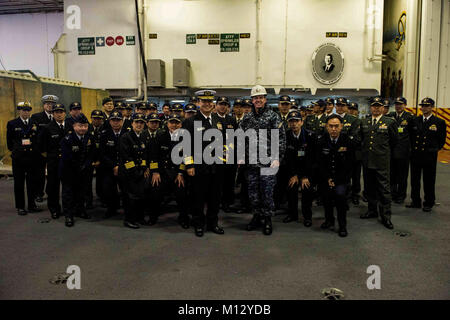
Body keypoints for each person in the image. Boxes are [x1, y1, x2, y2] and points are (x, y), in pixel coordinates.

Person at [240, 85, 286, 235]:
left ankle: (267, 219)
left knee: (267, 192)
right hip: (251, 162)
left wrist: (277, 158)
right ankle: (256, 216)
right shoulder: (246, 117)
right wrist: (240, 155)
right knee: (253, 193)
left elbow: (280, 138)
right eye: (255, 98)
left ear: (265, 99)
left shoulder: (273, 116)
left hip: (268, 162)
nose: (258, 100)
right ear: (252, 100)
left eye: (260, 97)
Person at [182, 90, 226, 237]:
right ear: (198, 103)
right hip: (199, 167)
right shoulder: (190, 121)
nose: (207, 104)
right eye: (204, 101)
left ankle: (213, 223)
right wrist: (189, 165)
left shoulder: (218, 120)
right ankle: (199, 224)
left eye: (209, 101)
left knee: (215, 197)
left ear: (212, 103)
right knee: (198, 197)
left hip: (217, 167)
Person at [359, 97, 397, 229]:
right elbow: (362, 140)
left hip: (381, 161)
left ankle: (386, 216)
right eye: (373, 106)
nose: (375, 108)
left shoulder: (390, 122)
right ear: (370, 107)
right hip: (368, 161)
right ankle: (372, 210)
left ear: (383, 108)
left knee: (384, 190)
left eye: (378, 106)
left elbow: (394, 142)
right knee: (369, 188)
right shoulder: (365, 121)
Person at [317, 114, 355, 237]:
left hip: (341, 179)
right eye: (331, 126)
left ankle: (342, 225)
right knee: (326, 199)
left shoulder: (348, 141)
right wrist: (328, 178)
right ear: (326, 127)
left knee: (340, 198)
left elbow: (350, 165)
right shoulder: (321, 141)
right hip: (325, 177)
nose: (334, 129)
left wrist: (337, 180)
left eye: (336, 126)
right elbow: (319, 163)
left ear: (341, 127)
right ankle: (329, 220)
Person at [407, 98, 447, 212]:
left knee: (429, 180)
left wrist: (433, 150)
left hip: (429, 156)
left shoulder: (439, 122)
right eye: (422, 106)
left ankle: (429, 202)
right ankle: (415, 201)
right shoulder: (415, 120)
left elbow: (441, 140)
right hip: (416, 155)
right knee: (415, 180)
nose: (424, 108)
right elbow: (410, 136)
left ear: (432, 107)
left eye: (427, 106)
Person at [151, 114, 190, 228]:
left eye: (176, 123)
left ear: (180, 125)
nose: (174, 125)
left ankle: (183, 218)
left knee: (182, 195)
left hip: (177, 173)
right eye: (171, 122)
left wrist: (180, 173)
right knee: (155, 193)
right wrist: (155, 172)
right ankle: (153, 216)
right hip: (162, 172)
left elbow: (186, 157)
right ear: (167, 124)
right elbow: (154, 156)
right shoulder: (159, 136)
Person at [7, 102, 42, 215]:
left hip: (32, 158)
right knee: (19, 183)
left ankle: (32, 205)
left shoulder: (34, 123)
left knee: (32, 182)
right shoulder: (12, 123)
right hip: (19, 159)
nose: (26, 112)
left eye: (28, 110)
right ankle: (20, 206)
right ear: (19, 111)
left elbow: (37, 140)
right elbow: (9, 143)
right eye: (23, 110)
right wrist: (18, 151)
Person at [60, 114, 95, 227]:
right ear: (74, 126)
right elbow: (67, 157)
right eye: (80, 126)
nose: (83, 128)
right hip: (69, 171)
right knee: (68, 194)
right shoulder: (67, 139)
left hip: (84, 171)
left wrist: (87, 165)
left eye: (85, 126)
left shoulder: (89, 137)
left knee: (81, 192)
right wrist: (79, 166)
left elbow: (92, 154)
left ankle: (80, 210)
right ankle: (69, 215)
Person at [38, 103, 71, 219]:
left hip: (68, 162)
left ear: (65, 113)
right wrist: (50, 159)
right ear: (53, 114)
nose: (59, 114)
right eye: (56, 112)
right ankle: (54, 209)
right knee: (53, 187)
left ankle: (68, 209)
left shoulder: (70, 126)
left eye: (61, 112)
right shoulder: (47, 128)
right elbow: (42, 147)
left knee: (68, 187)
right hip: (54, 162)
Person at [283, 110, 316, 226]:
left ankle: (307, 216)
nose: (294, 124)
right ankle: (292, 214)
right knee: (291, 189)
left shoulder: (310, 136)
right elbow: (287, 159)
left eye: (296, 121)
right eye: (291, 121)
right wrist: (293, 175)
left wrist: (305, 176)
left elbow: (312, 159)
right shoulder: (285, 136)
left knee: (307, 190)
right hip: (292, 171)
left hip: (307, 172)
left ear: (301, 122)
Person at [119, 113, 151, 229]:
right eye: (136, 122)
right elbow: (126, 157)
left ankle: (139, 217)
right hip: (129, 172)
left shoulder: (143, 136)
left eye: (141, 122)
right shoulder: (125, 137)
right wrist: (135, 172)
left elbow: (144, 155)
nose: (139, 124)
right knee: (129, 198)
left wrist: (143, 168)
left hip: (139, 172)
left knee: (140, 196)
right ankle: (129, 220)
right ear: (132, 123)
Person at [99, 110, 127, 218]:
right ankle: (112, 208)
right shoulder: (104, 134)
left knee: (125, 189)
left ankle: (127, 209)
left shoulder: (128, 133)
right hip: (109, 167)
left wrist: (120, 166)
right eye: (113, 120)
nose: (116, 123)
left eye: (118, 120)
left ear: (122, 121)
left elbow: (128, 153)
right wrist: (113, 166)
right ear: (110, 122)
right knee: (108, 189)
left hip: (124, 167)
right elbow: (102, 154)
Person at [31, 94, 58, 202]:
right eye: (47, 104)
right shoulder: (36, 117)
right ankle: (39, 193)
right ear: (44, 105)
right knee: (39, 173)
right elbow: (34, 135)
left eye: (52, 104)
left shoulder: (58, 117)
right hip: (40, 150)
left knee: (52, 173)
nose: (50, 106)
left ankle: (50, 192)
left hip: (53, 150)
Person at [388, 97, 415, 204]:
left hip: (403, 152)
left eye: (401, 104)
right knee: (392, 175)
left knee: (402, 176)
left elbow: (413, 135)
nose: (398, 106)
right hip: (392, 151)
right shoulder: (391, 116)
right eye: (397, 104)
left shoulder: (410, 117)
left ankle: (401, 195)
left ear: (405, 105)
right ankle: (393, 193)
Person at [85, 110, 105, 209]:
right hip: (89, 159)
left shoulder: (105, 129)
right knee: (87, 181)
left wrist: (99, 160)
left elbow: (105, 147)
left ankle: (102, 198)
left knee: (101, 180)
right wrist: (91, 160)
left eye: (99, 119)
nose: (97, 120)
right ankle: (88, 201)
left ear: (102, 120)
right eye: (95, 118)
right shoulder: (86, 128)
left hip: (101, 159)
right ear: (91, 118)